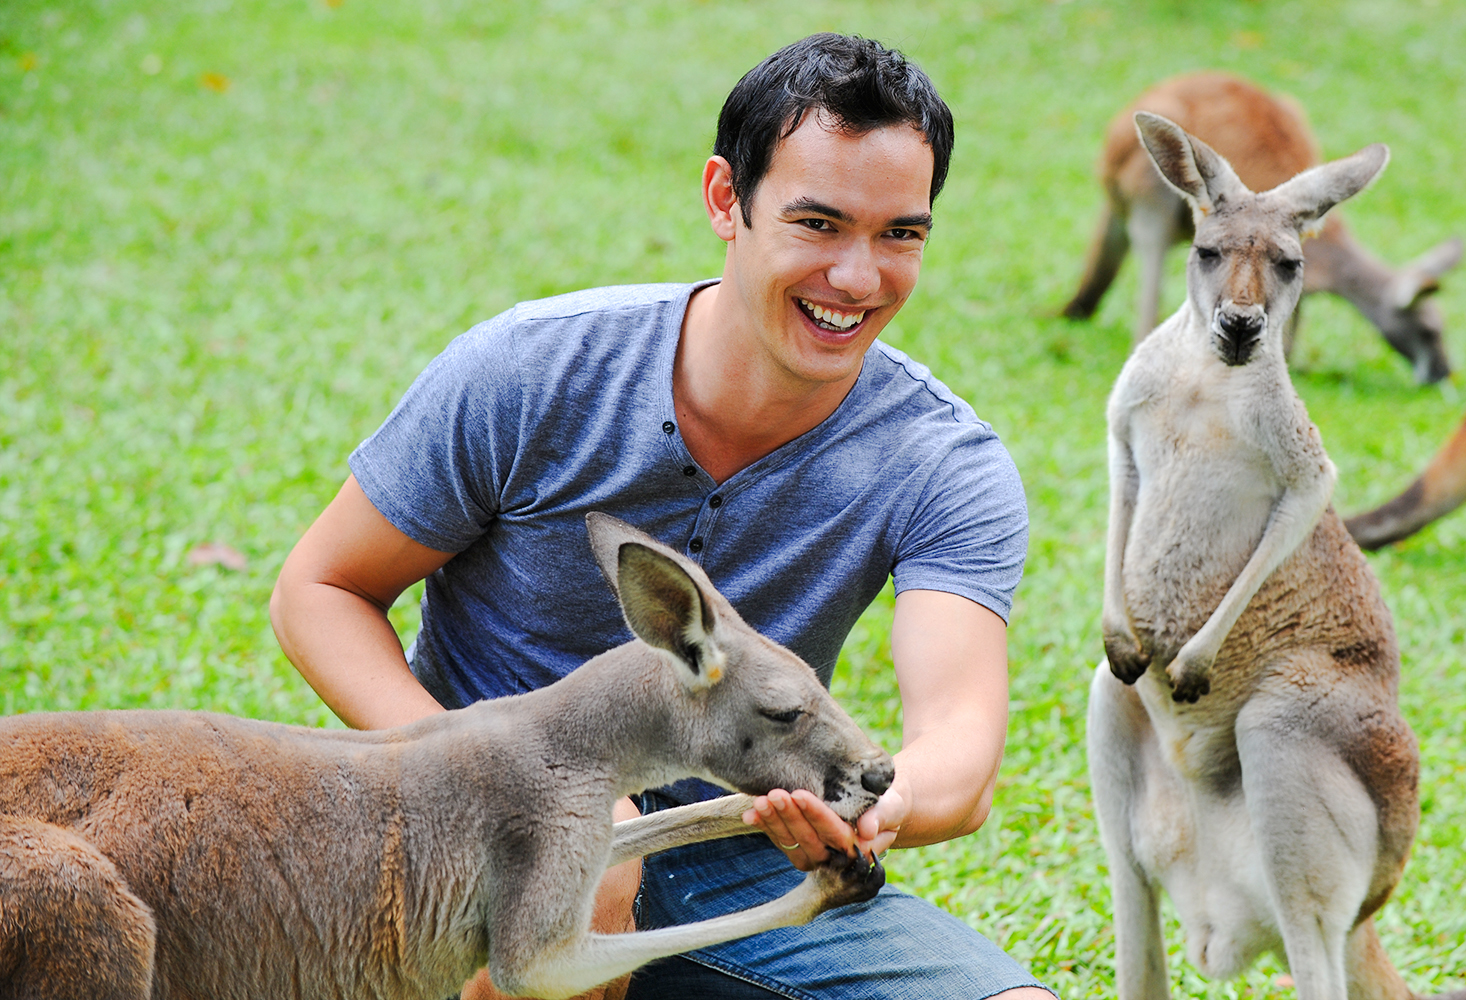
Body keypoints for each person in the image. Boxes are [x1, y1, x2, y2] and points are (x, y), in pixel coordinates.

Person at [271, 32, 1052, 1000]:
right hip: (459, 827)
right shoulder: (532, 369)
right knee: (596, 872)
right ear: (726, 199)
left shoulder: (941, 460)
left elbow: (958, 746)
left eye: (899, 233)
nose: (858, 278)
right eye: (818, 224)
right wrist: (487, 775)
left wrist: (866, 812)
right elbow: (323, 588)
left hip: (736, 843)